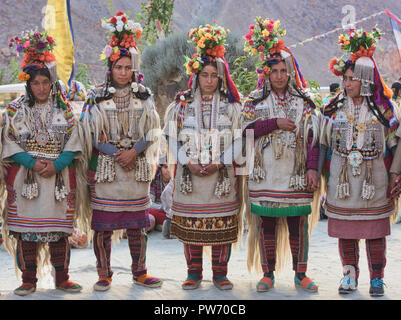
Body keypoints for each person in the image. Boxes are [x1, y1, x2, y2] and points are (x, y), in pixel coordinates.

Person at [80, 11, 162, 291]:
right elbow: (89, 133)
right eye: (118, 67)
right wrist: (118, 153)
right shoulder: (96, 95)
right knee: (103, 227)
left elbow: (152, 131)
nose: (123, 72)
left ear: (134, 68)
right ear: (110, 68)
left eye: (128, 67)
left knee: (137, 225)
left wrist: (135, 151)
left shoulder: (144, 94)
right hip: (107, 171)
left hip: (135, 171)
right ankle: (104, 274)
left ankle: (140, 272)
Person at [2, 30, 87, 296]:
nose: (41, 88)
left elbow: (74, 141)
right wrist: (31, 161)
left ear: (52, 83)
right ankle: (29, 280)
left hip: (57, 180)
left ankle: (62, 278)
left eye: (45, 82)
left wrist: (58, 164)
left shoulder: (64, 109)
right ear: (28, 84)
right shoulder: (15, 110)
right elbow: (9, 141)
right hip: (27, 179)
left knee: (59, 232)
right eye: (36, 83)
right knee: (26, 233)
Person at [242, 17, 320, 293]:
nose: (278, 75)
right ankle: (268, 273)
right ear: (266, 73)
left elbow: (313, 137)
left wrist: (312, 168)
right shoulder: (254, 100)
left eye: (283, 70)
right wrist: (274, 123)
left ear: (289, 72)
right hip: (266, 173)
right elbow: (244, 130)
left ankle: (301, 274)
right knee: (268, 223)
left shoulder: (304, 101)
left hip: (296, 173)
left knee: (298, 223)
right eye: (273, 71)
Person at [163, 22, 243, 290]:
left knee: (222, 225)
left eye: (213, 75)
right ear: (196, 76)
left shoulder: (231, 107)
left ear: (220, 78)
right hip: (190, 177)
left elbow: (239, 138)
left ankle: (220, 273)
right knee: (191, 224)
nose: (209, 80)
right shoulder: (181, 105)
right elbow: (171, 138)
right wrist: (188, 162)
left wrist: (221, 161)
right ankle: (193, 272)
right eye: (204, 74)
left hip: (221, 176)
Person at [322, 27, 400, 297]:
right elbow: (319, 141)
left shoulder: (385, 110)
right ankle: (349, 274)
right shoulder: (333, 107)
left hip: (374, 180)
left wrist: (395, 175)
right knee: (346, 228)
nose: (347, 84)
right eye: (345, 79)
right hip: (342, 180)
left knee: (375, 229)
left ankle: (377, 278)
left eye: (352, 79)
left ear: (366, 80)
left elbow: (396, 144)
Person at [148, 160, 172, 232]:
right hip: (159, 210)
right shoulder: (154, 180)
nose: (168, 170)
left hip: (173, 212)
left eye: (171, 167)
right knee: (149, 212)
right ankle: (166, 226)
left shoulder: (177, 179)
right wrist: (162, 207)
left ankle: (162, 226)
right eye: (166, 167)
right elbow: (149, 203)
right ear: (160, 168)